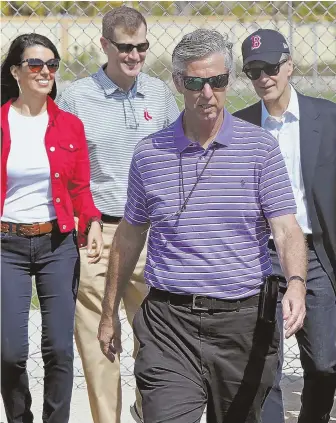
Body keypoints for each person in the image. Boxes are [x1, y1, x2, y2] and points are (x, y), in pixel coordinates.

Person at [98, 28, 308, 423]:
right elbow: (128, 236)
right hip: (168, 326)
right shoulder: (149, 154)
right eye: (195, 82)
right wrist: (109, 313)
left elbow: (286, 228)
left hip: (243, 325)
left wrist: (296, 281)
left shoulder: (260, 149)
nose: (207, 93)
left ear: (229, 79)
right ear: (179, 82)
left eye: (218, 81)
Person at [57, 6, 179, 423]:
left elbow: (178, 160)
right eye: (125, 47)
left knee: (157, 343)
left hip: (151, 235)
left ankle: (148, 413)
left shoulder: (160, 94)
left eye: (142, 46)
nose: (135, 56)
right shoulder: (76, 96)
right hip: (97, 233)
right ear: (105, 45)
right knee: (99, 344)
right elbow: (64, 170)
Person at [234, 28, 336, 423]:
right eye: (254, 71)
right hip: (260, 255)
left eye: (271, 68)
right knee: (264, 364)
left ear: (289, 66)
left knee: (325, 363)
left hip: (316, 255)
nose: (263, 78)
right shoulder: (240, 127)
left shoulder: (326, 118)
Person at [1, 33, 103, 423]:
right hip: (6, 244)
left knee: (59, 348)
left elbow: (80, 188)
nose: (45, 72)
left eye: (51, 65)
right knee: (9, 351)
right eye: (35, 64)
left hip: (56, 244)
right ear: (16, 71)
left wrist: (91, 220)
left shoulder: (69, 125)